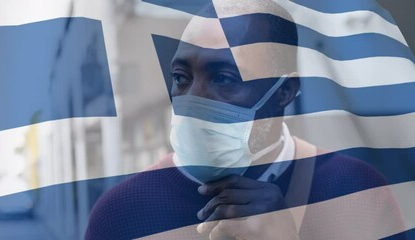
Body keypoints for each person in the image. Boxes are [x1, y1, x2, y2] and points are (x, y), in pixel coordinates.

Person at [85, 1, 405, 239]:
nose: (193, 101)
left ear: (285, 91)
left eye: (224, 78)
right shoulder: (122, 214)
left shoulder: (357, 192)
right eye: (181, 77)